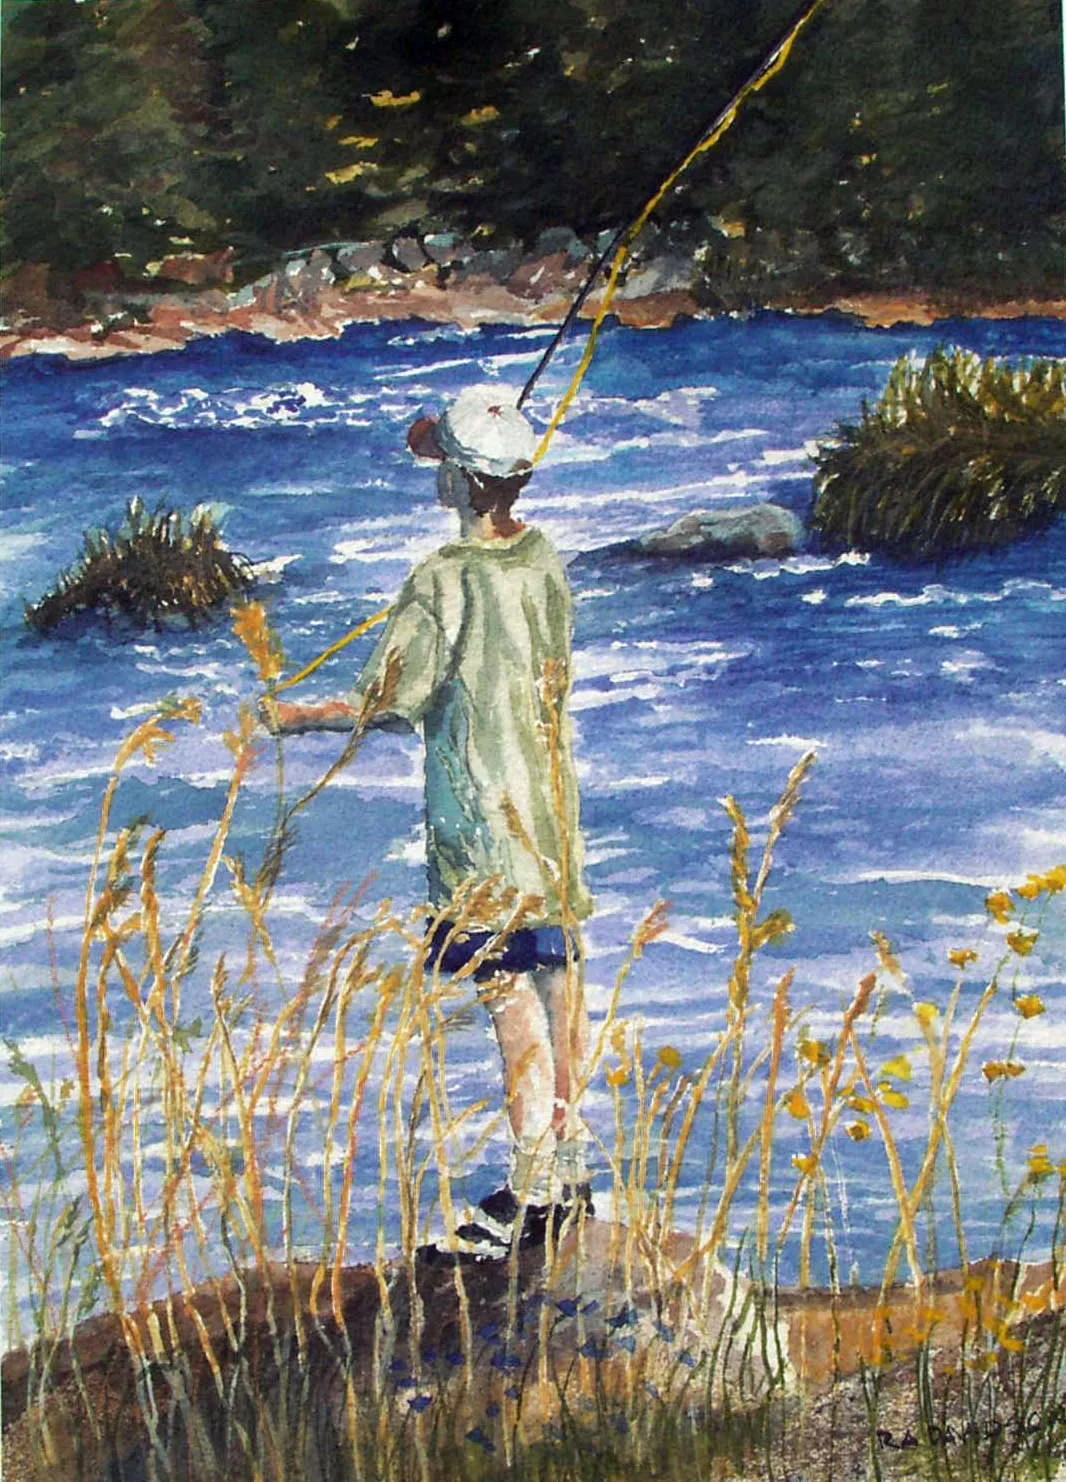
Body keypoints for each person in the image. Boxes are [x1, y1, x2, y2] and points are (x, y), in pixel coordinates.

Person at [264, 385, 593, 1254]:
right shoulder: (546, 559)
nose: (436, 477)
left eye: (443, 465)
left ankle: (532, 1192)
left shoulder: (440, 579)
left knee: (507, 994)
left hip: (480, 821)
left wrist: (291, 717)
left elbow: (386, 699)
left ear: (460, 481)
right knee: (557, 985)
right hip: (550, 814)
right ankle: (568, 1175)